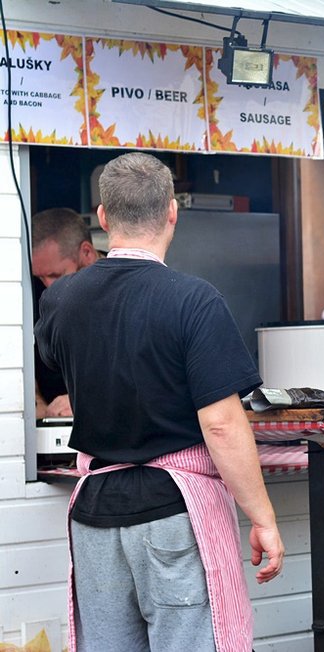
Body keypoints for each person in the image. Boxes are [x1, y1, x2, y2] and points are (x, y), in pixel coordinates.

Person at [35, 152, 284, 651]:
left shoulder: (60, 301)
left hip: (95, 516)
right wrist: (263, 519)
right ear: (172, 212)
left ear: (103, 218)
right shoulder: (194, 300)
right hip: (173, 517)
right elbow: (221, 425)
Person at [31, 208, 102, 418]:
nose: (48, 287)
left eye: (56, 275)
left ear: (87, 253)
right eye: (40, 277)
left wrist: (87, 401)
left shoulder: (125, 290)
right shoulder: (30, 292)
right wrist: (38, 405)